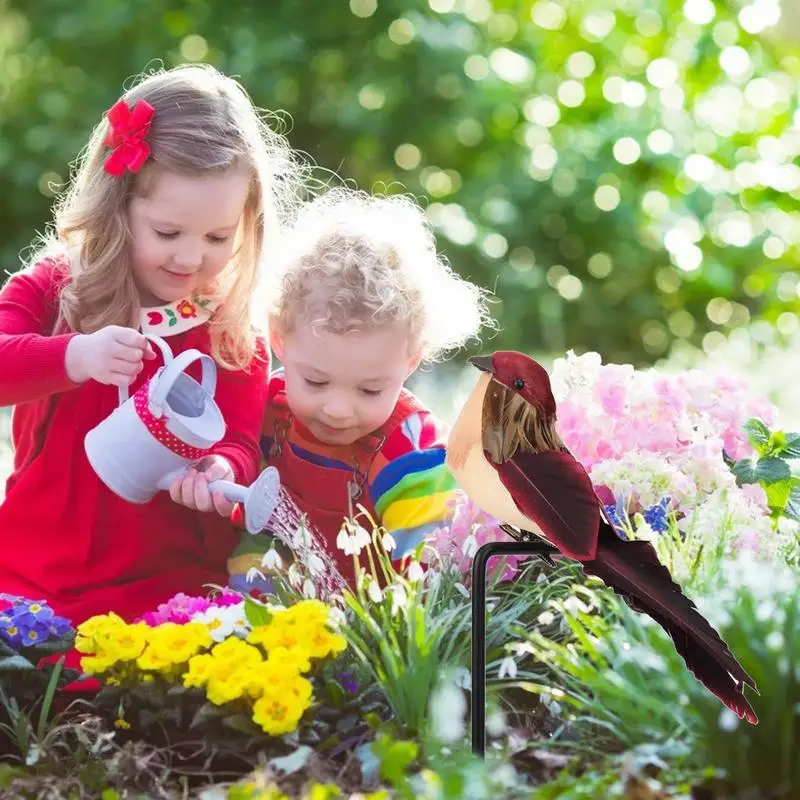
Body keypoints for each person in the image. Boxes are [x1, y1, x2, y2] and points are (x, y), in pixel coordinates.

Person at [0, 64, 304, 629]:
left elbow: (239, 438)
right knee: (30, 664)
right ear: (117, 208)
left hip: (168, 580)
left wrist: (221, 467)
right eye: (168, 233)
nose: (190, 259)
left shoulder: (228, 326)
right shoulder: (55, 290)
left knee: (188, 676)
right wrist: (76, 356)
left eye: (218, 238)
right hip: (36, 565)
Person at [227, 188, 493, 588]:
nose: (337, 408)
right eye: (315, 381)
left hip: (377, 621)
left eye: (370, 391)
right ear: (278, 337)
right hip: (285, 612)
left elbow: (425, 558)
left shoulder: (407, 443)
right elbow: (256, 528)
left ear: (411, 360)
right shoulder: (266, 411)